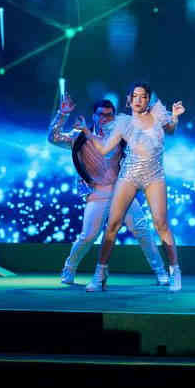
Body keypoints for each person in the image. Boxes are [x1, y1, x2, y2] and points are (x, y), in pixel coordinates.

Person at [47, 94, 169, 286]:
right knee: (88, 236)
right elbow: (53, 138)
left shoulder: (123, 135)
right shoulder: (79, 136)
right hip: (97, 192)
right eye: (100, 114)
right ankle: (69, 269)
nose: (104, 118)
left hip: (122, 190)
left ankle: (161, 272)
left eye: (109, 115)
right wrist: (62, 114)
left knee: (142, 231)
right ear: (94, 116)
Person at [80, 82, 186, 292]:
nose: (139, 100)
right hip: (129, 175)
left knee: (161, 224)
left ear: (148, 100)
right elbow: (104, 150)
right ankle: (100, 274)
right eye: (135, 96)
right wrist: (87, 132)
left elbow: (171, 130)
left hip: (154, 176)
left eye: (143, 96)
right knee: (113, 224)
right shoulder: (123, 123)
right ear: (129, 100)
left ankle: (175, 271)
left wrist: (175, 116)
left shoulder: (157, 115)